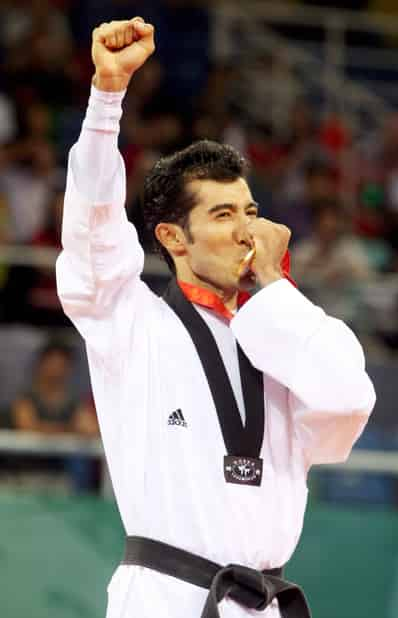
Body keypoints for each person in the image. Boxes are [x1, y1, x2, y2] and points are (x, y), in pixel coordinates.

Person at [56, 17, 376, 618]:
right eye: (223, 215)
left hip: (267, 601)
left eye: (250, 210)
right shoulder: (133, 325)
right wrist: (106, 99)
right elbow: (92, 235)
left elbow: (348, 404)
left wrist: (275, 286)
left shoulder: (283, 334)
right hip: (167, 598)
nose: (246, 231)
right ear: (174, 238)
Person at [12, 341, 99, 492]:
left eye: (61, 364)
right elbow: (27, 426)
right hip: (25, 475)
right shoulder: (26, 399)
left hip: (61, 478)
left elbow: (91, 429)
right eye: (52, 363)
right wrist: (70, 430)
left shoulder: (74, 403)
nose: (56, 370)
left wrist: (53, 430)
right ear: (41, 364)